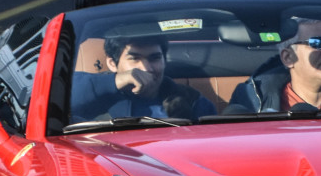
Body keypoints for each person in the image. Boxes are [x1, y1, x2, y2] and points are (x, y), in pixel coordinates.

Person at [70, 35, 216, 122]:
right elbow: (57, 98)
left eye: (154, 58)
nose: (146, 68)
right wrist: (114, 82)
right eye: (134, 59)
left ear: (164, 61)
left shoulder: (192, 101)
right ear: (112, 64)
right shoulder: (93, 97)